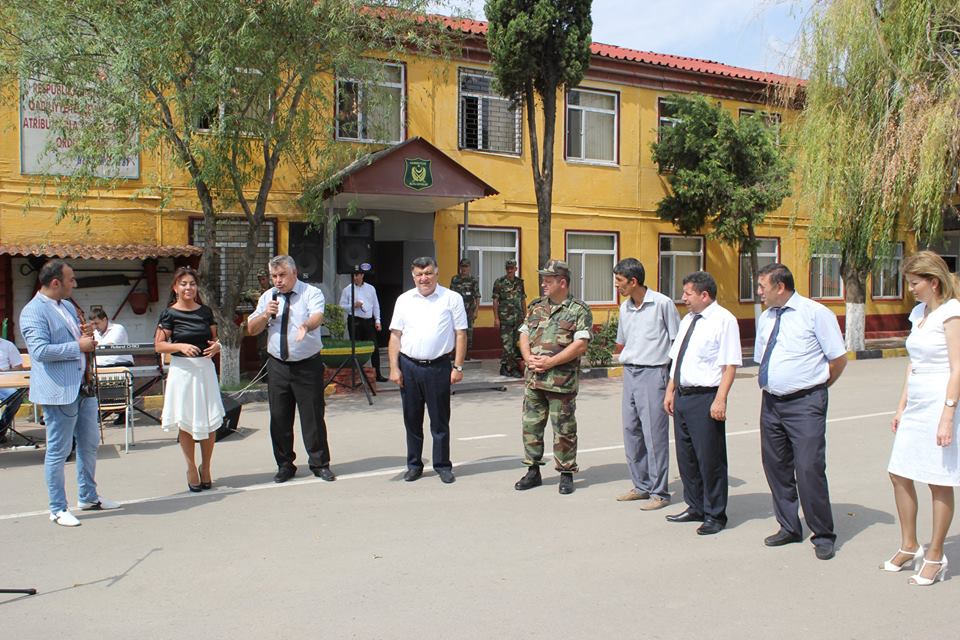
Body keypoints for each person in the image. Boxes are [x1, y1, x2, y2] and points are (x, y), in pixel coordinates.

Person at [755, 262, 847, 560]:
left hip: (805, 403)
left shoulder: (815, 313)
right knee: (776, 467)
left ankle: (823, 534)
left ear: (780, 287)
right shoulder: (767, 317)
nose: (759, 292)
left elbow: (838, 359)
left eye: (762, 287)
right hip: (771, 403)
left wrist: (816, 388)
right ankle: (789, 526)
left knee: (809, 468)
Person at [19, 260, 120, 526]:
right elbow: (40, 351)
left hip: (83, 385)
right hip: (58, 389)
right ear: (56, 283)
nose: (74, 284)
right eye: (71, 279)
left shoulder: (66, 306)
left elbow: (78, 340)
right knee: (59, 450)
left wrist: (84, 334)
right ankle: (57, 508)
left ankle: (88, 496)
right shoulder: (33, 311)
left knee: (89, 444)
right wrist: (78, 345)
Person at [884, 251, 960, 585]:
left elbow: (958, 368)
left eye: (915, 283)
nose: (911, 289)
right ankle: (910, 544)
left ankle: (935, 555)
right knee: (898, 472)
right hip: (916, 403)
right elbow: (913, 363)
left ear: (934, 282)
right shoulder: (918, 313)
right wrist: (901, 406)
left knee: (938, 479)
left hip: (940, 403)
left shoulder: (952, 312)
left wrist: (948, 415)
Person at [663, 271, 741, 535]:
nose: (683, 298)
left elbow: (730, 365)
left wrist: (721, 399)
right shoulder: (688, 320)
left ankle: (715, 514)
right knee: (687, 457)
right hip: (683, 396)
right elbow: (678, 359)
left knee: (710, 458)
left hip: (706, 397)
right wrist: (670, 391)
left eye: (688, 293)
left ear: (704, 295)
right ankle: (695, 505)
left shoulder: (724, 320)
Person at [247, 255, 335, 483]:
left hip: (307, 365)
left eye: (282, 275)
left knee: (312, 417)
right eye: (274, 276)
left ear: (294, 273)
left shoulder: (311, 293)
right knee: (279, 418)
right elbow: (251, 329)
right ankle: (285, 465)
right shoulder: (268, 297)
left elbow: (317, 316)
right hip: (278, 365)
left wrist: (306, 325)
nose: (278, 280)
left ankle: (320, 463)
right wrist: (265, 314)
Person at [514, 259, 592, 495]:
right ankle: (533, 471)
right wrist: (528, 357)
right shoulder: (536, 307)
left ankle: (566, 473)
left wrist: (551, 362)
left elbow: (580, 345)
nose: (543, 284)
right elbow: (524, 334)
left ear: (563, 283)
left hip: (561, 382)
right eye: (543, 280)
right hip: (534, 379)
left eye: (548, 281)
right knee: (531, 427)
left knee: (564, 429)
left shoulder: (578, 310)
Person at [388, 256, 467, 484]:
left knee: (439, 420)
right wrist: (394, 368)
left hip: (438, 367)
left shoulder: (451, 298)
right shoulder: (404, 300)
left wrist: (458, 366)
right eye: (419, 274)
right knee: (412, 419)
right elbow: (395, 335)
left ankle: (442, 465)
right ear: (413, 276)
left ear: (436, 273)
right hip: (409, 366)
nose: (424, 278)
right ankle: (414, 465)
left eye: (428, 273)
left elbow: (461, 333)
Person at [613, 258, 680, 509]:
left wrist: (672, 383)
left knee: (654, 435)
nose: (616, 285)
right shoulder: (625, 308)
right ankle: (641, 486)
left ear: (634, 281)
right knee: (631, 431)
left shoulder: (662, 304)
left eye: (620, 280)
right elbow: (624, 341)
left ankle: (660, 492)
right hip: (630, 373)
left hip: (654, 373)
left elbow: (677, 342)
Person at [154, 267, 225, 492]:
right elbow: (159, 345)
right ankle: (191, 467)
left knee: (209, 420)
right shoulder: (169, 314)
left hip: (205, 370)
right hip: (182, 372)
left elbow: (215, 339)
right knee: (185, 421)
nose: (188, 287)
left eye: (192, 284)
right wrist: (180, 346)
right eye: (183, 283)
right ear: (175, 287)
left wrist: (217, 347)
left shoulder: (205, 312)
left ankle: (207, 467)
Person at [339, 268, 387, 382]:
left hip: (368, 320)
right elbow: (341, 306)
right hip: (354, 320)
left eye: (357, 275)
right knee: (356, 349)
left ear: (362, 275)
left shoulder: (370, 288)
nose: (355, 278)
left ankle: (377, 374)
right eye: (354, 276)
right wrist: (353, 305)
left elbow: (375, 305)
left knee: (374, 347)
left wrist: (378, 320)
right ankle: (358, 375)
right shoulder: (347, 289)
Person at [91, 309, 134, 426]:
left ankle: (120, 410)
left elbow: (109, 346)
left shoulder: (118, 328)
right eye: (93, 324)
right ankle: (102, 410)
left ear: (105, 319)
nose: (95, 327)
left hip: (119, 365)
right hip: (100, 367)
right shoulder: (95, 333)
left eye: (97, 323)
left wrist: (91, 345)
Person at [491, 258, 526, 378]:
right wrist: (496, 318)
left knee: (516, 344)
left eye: (512, 268)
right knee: (507, 344)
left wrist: (525, 316)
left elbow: (522, 299)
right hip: (505, 319)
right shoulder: (499, 282)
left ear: (516, 269)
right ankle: (508, 367)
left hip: (518, 318)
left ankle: (509, 367)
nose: (510, 270)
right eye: (508, 268)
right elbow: (495, 301)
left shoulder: (520, 282)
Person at [449, 257, 480, 350]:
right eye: (462, 266)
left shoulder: (473, 280)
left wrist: (476, 311)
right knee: (456, 330)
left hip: (469, 311)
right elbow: (451, 295)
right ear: (460, 267)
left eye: (466, 266)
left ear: (469, 267)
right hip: (457, 311)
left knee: (468, 332)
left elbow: (477, 296)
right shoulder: (455, 279)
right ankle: (456, 351)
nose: (464, 269)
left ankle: (467, 352)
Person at [0, 335, 25, 441]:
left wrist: (4, 372)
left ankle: (1, 429)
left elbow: (18, 368)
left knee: (15, 398)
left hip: (4, 383)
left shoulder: (7, 345)